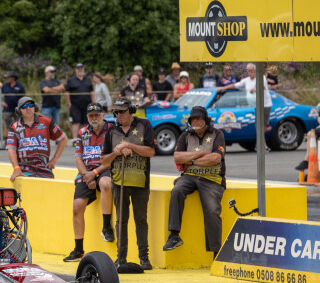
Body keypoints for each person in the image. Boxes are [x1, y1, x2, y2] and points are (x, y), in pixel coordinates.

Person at [163, 106, 226, 258]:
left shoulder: (217, 134)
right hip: (189, 176)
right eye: (193, 119)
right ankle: (174, 235)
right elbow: (177, 157)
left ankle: (216, 252)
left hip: (212, 178)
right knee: (177, 190)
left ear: (206, 120)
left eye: (199, 118)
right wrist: (201, 154)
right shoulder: (185, 136)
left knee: (212, 209)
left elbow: (216, 158)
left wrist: (190, 159)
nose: (195, 121)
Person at [101, 97, 155, 271]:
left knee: (141, 219)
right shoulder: (111, 131)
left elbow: (150, 151)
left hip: (140, 181)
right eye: (116, 112)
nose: (118, 115)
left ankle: (144, 257)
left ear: (131, 111)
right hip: (119, 181)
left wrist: (130, 145)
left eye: (122, 111)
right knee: (121, 220)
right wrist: (117, 152)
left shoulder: (144, 125)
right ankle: (121, 257)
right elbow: (104, 160)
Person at [64, 102, 114, 262]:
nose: (94, 118)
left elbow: (114, 158)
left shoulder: (112, 130)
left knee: (105, 183)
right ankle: (78, 249)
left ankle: (106, 227)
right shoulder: (82, 132)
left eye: (97, 115)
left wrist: (94, 173)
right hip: (86, 172)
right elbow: (78, 158)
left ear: (103, 115)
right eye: (91, 115)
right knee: (77, 207)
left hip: (104, 169)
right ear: (87, 117)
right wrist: (86, 175)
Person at [8, 96, 68, 180]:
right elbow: (11, 149)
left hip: (44, 169)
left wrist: (55, 159)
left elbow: (63, 139)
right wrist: (16, 168)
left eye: (30, 105)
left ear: (35, 107)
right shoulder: (14, 126)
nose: (28, 108)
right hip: (24, 170)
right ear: (19, 110)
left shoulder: (46, 121)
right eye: (24, 106)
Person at [217, 63, 272, 132]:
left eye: (253, 70)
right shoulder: (246, 80)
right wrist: (224, 88)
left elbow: (262, 86)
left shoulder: (261, 77)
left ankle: (262, 138)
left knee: (263, 124)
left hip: (264, 105)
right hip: (254, 106)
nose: (251, 72)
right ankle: (259, 137)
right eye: (249, 70)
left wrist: (255, 89)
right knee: (257, 124)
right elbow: (235, 85)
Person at [66, 63, 95, 140]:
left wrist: (93, 102)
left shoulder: (88, 79)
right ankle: (75, 139)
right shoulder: (71, 80)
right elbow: (67, 92)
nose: (80, 70)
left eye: (81, 68)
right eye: (78, 68)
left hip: (86, 104)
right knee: (76, 122)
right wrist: (69, 103)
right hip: (75, 105)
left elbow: (92, 91)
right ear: (76, 70)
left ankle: (83, 138)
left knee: (85, 122)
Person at [1, 72, 26, 139]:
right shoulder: (5, 85)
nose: (7, 78)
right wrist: (1, 102)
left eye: (8, 77)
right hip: (7, 108)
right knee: (7, 124)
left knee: (19, 124)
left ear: (13, 77)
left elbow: (23, 97)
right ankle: (7, 139)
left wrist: (21, 106)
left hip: (17, 108)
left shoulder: (20, 86)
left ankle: (19, 138)